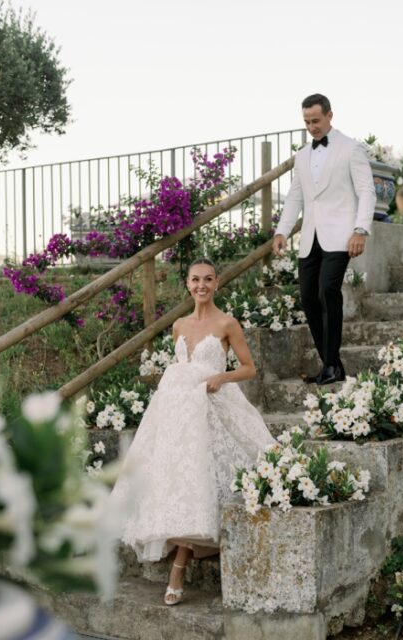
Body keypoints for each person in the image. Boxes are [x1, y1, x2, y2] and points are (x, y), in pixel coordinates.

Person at [103, 256, 273, 604]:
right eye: (195, 280)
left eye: (208, 280)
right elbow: (180, 369)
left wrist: (221, 376)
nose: (201, 286)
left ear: (217, 282)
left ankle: (178, 569)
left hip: (212, 404)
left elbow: (249, 368)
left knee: (201, 479)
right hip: (177, 410)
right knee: (173, 479)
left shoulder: (228, 323)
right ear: (187, 284)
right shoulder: (179, 325)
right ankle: (177, 551)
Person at [272, 93, 375, 384]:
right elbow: (295, 196)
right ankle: (332, 364)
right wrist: (282, 231)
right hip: (311, 238)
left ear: (330, 115)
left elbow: (367, 191)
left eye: (316, 120)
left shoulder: (351, 149)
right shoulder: (303, 155)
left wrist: (360, 230)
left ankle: (331, 365)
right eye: (306, 122)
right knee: (307, 298)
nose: (312, 127)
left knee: (327, 291)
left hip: (342, 236)